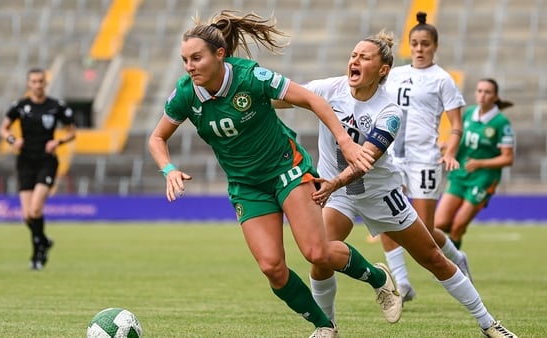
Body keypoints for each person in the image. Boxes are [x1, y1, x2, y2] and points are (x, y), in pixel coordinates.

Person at [147, 10, 401, 338]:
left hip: (287, 169)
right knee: (272, 269)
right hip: (246, 186)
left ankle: (378, 279)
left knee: (317, 252)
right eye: (185, 60)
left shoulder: (251, 77)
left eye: (196, 58)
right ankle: (325, 327)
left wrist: (345, 143)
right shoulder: (185, 94)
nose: (189, 66)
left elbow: (311, 99)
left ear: (220, 55)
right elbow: (156, 138)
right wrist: (168, 169)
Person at [300, 30, 517, 338]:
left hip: (379, 192)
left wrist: (330, 185)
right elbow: (286, 95)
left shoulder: (389, 112)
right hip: (340, 195)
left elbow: (365, 162)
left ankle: (489, 324)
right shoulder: (330, 88)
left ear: (383, 69)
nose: (355, 60)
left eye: (364, 56)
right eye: (353, 55)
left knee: (431, 257)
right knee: (319, 257)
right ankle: (327, 327)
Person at [381, 11, 471, 300]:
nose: (420, 49)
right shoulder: (394, 75)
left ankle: (457, 258)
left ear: (435, 46)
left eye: (425, 44)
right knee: (385, 217)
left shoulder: (442, 79)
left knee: (424, 231)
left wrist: (451, 151)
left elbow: (457, 124)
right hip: (393, 158)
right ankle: (403, 285)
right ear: (409, 45)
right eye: (415, 44)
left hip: (425, 159)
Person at [0, 67, 76, 270]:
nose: (37, 85)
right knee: (26, 216)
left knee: (35, 209)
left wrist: (57, 142)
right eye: (34, 81)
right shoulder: (20, 106)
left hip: (46, 161)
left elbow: (72, 131)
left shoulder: (56, 106)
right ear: (28, 84)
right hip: (25, 162)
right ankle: (43, 241)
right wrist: (13, 139)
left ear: (45, 83)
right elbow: (3, 128)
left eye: (41, 81)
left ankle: (37, 254)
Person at [435, 78, 515, 249]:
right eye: (479, 91)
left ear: (495, 97)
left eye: (487, 92)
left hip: (483, 180)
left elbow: (508, 158)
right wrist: (446, 147)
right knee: (439, 224)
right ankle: (450, 261)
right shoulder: (469, 113)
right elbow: (460, 141)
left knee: (457, 227)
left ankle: (453, 271)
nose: (482, 95)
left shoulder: (501, 123)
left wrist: (481, 163)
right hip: (460, 174)